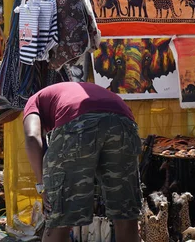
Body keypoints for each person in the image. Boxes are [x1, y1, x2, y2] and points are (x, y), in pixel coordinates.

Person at [23, 82, 142, 242]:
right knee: (126, 214)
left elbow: (32, 137)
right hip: (123, 122)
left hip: (77, 122)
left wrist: (42, 185)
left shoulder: (33, 101)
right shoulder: (63, 92)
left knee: (61, 216)